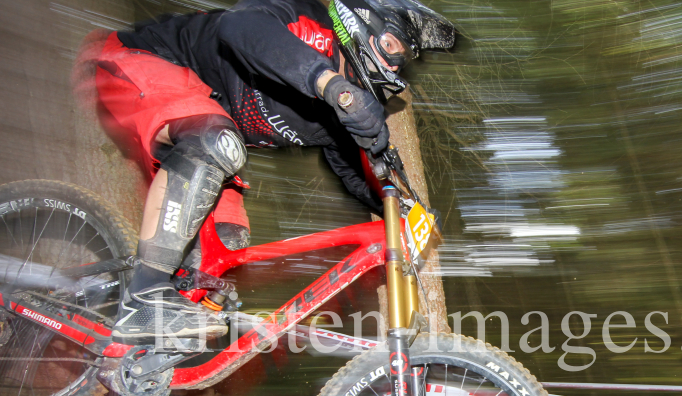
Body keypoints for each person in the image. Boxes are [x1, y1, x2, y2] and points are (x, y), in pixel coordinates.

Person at [85, 0, 454, 346]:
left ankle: (145, 352)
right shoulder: (307, 22)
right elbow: (239, 25)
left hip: (203, 130)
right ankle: (142, 300)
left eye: (401, 62)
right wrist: (331, 85)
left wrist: (407, 206)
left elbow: (355, 174)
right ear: (360, 21)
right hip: (141, 64)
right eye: (391, 47)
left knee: (227, 247)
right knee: (218, 143)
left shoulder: (332, 119)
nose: (393, 67)